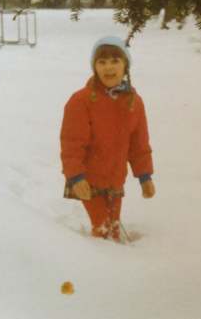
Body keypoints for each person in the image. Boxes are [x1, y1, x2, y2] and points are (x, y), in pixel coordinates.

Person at [60, 35, 155, 241]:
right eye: (101, 62)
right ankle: (102, 266)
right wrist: (75, 177)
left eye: (115, 61)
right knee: (101, 228)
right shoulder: (81, 101)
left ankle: (115, 265)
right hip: (88, 180)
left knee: (112, 226)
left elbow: (139, 145)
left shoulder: (133, 102)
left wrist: (145, 176)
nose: (108, 68)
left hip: (115, 180)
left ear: (125, 66)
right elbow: (72, 144)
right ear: (94, 67)